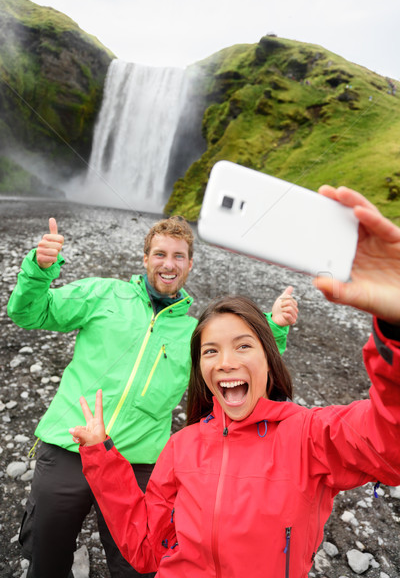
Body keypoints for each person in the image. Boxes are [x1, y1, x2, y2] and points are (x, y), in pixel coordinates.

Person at [70, 185, 400, 578]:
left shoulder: (310, 436)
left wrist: (394, 325)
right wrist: (102, 458)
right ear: (200, 371)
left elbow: (389, 441)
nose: (225, 362)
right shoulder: (181, 447)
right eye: (210, 351)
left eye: (243, 346)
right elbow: (145, 550)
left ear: (268, 359)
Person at [7, 214, 298, 578]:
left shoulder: (195, 332)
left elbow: (240, 371)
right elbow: (28, 312)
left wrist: (275, 329)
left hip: (140, 463)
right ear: (145, 258)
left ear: (190, 264)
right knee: (46, 561)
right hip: (69, 446)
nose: (168, 263)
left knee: (138, 567)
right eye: (160, 254)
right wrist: (40, 268)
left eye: (178, 256)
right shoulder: (103, 294)